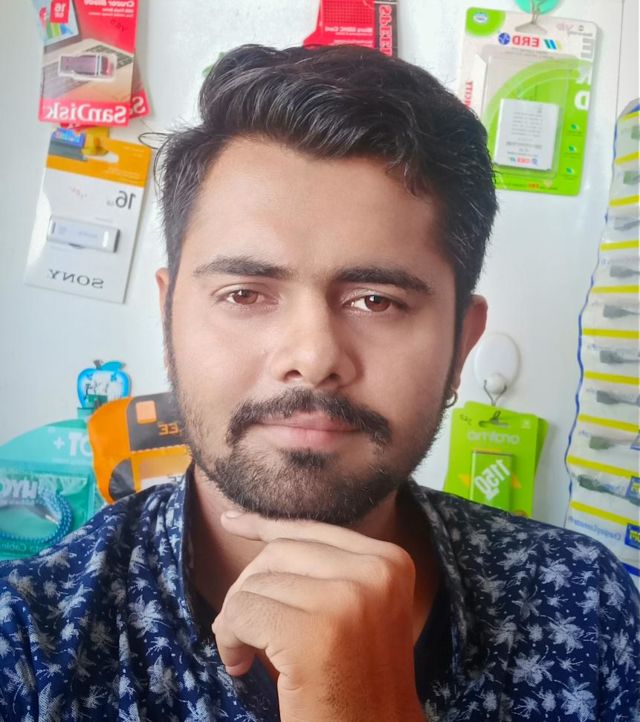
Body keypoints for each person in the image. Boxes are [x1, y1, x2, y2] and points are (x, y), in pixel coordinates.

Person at [0, 44, 638, 722]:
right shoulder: (30, 643)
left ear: (461, 344)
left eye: (377, 301)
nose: (311, 357)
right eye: (245, 293)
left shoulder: (587, 608)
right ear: (169, 318)